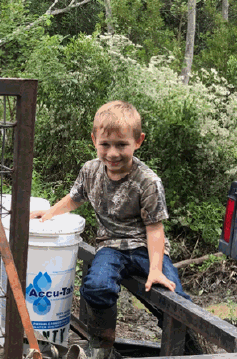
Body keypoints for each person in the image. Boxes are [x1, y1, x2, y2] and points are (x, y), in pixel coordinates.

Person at [30, 101, 195, 359]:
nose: (112, 153)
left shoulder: (147, 181)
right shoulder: (90, 171)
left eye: (121, 145)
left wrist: (154, 269)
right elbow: (75, 198)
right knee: (96, 286)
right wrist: (50, 212)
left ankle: (187, 350)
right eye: (105, 144)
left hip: (144, 247)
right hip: (110, 245)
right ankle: (102, 346)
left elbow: (155, 229)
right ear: (94, 140)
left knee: (178, 300)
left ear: (138, 141)